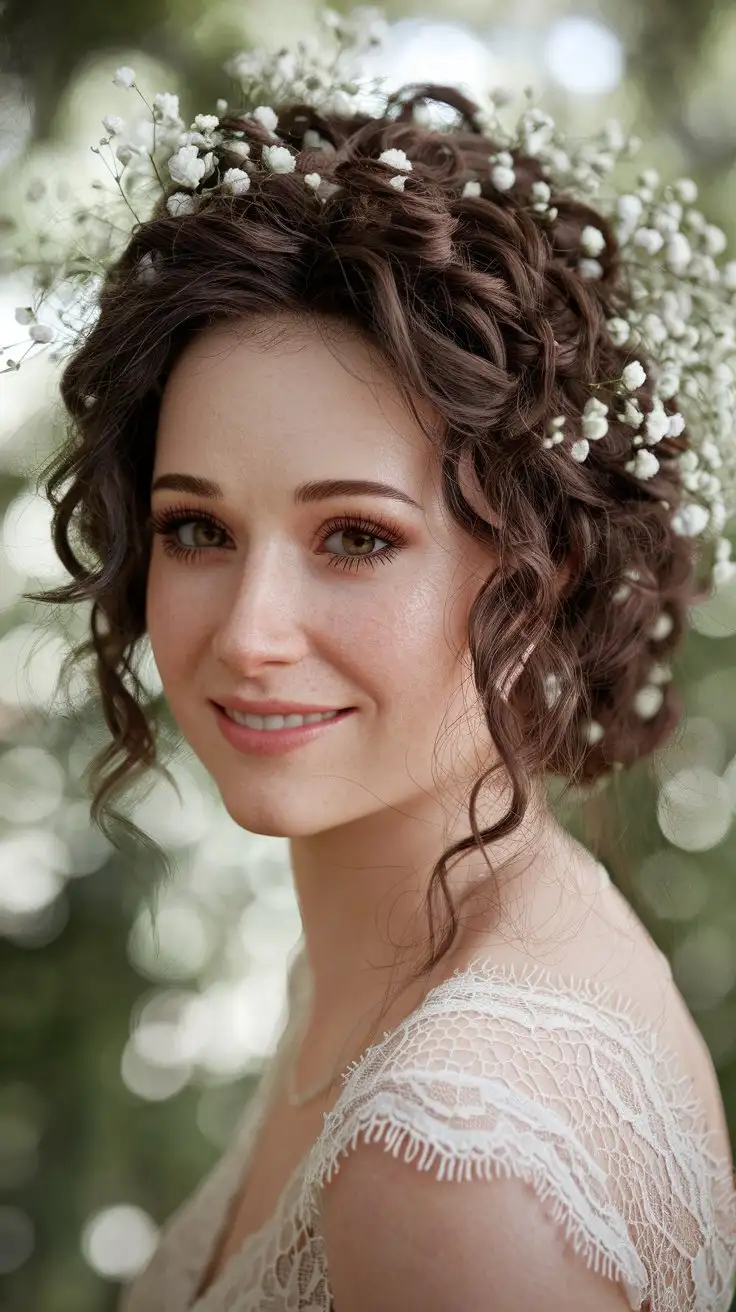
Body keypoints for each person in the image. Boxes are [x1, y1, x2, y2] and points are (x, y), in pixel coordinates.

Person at [18, 11, 736, 1309]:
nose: (246, 632)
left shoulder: (450, 1164)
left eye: (355, 536)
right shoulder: (398, 945)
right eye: (198, 530)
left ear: (543, 568)